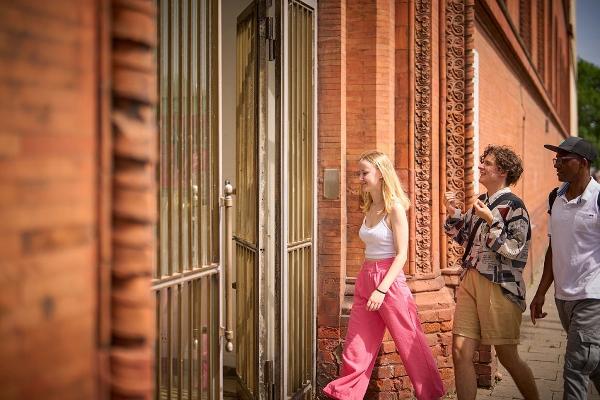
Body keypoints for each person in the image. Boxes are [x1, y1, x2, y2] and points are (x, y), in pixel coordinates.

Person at [323, 150, 444, 400]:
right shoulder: (370, 206)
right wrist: (370, 283)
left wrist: (381, 289)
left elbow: (402, 255)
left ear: (381, 173)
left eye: (364, 173)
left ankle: (431, 395)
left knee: (410, 342)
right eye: (359, 173)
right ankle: (345, 396)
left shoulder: (395, 208)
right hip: (366, 276)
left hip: (389, 282)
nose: (360, 178)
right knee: (356, 345)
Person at [444, 145, 539, 400]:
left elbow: (516, 250)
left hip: (500, 286)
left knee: (508, 356)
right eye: (481, 161)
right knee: (460, 351)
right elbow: (466, 239)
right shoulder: (482, 202)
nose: (480, 166)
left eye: (486, 162)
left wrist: (491, 221)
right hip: (470, 281)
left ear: (502, 171)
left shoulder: (515, 206)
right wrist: (454, 214)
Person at [530, 137, 600, 399]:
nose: (556, 164)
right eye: (555, 159)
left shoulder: (598, 199)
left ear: (582, 163)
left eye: (563, 159)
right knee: (592, 363)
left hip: (592, 297)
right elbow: (553, 247)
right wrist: (540, 293)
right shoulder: (555, 198)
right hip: (563, 298)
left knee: (575, 367)